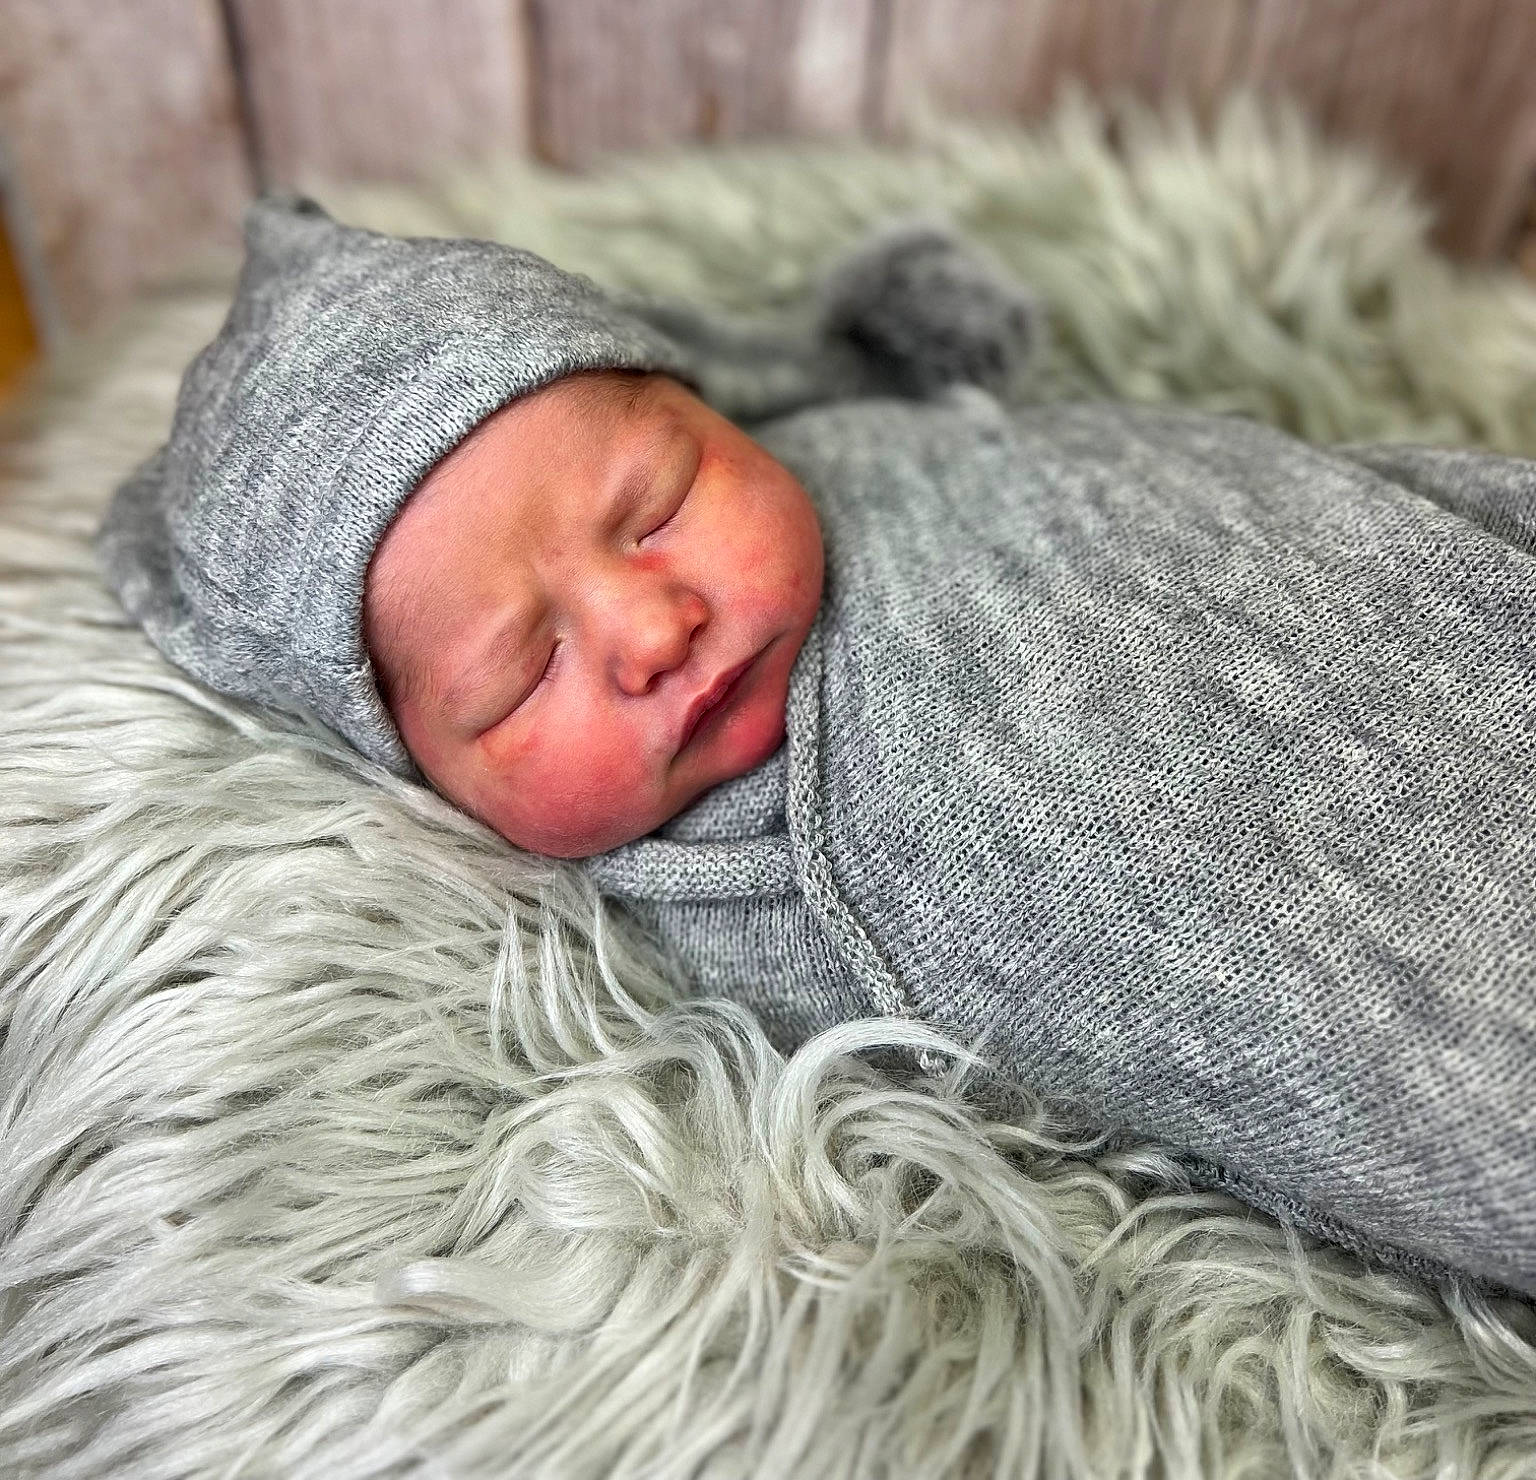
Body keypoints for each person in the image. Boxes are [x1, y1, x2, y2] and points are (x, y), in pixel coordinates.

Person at [98, 194, 1536, 1300]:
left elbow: (1285, 493)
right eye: (521, 671)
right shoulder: (713, 897)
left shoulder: (867, 450)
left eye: (659, 503)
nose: (649, 626)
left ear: (720, 410)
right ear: (422, 775)